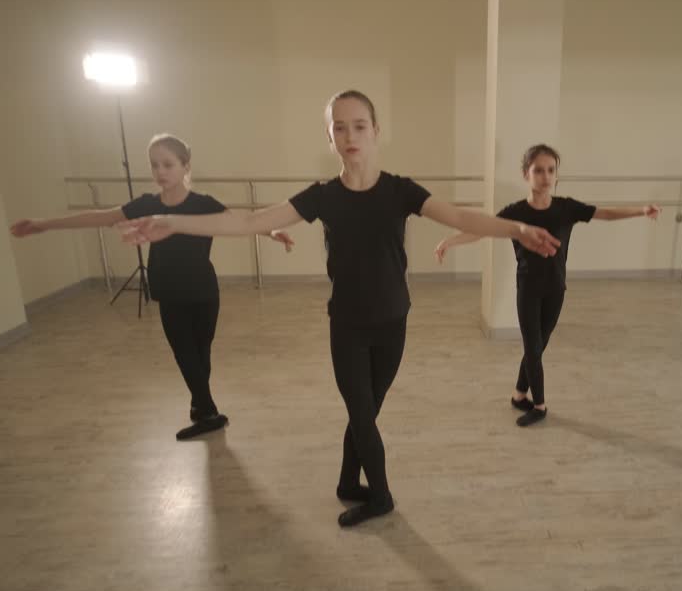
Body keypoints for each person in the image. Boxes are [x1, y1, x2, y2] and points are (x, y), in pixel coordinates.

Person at [121, 90, 560, 527]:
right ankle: (381, 497)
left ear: (376, 132)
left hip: (393, 321)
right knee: (362, 412)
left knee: (367, 411)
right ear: (329, 138)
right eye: (339, 127)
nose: (350, 135)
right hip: (347, 325)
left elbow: (461, 218)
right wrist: (171, 221)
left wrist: (517, 228)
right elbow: (249, 222)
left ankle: (350, 482)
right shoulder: (323, 196)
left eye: (359, 125)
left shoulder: (399, 190)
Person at [11, 134, 292, 440]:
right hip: (168, 288)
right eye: (155, 165)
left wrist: (273, 231)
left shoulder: (203, 204)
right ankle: (209, 412)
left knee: (201, 352)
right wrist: (43, 224)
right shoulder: (146, 204)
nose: (160, 172)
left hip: (203, 290)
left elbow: (241, 223)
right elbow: (99, 217)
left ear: (185, 166)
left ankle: (200, 407)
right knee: (184, 351)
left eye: (168, 164)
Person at [435, 143, 659, 426]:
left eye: (550, 170)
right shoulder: (515, 212)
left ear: (556, 174)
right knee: (532, 347)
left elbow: (604, 213)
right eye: (538, 170)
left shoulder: (566, 208)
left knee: (538, 347)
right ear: (525, 174)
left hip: (556, 289)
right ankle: (539, 405)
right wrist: (450, 241)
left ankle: (519, 395)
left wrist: (641, 211)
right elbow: (481, 229)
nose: (545, 176)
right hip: (528, 289)